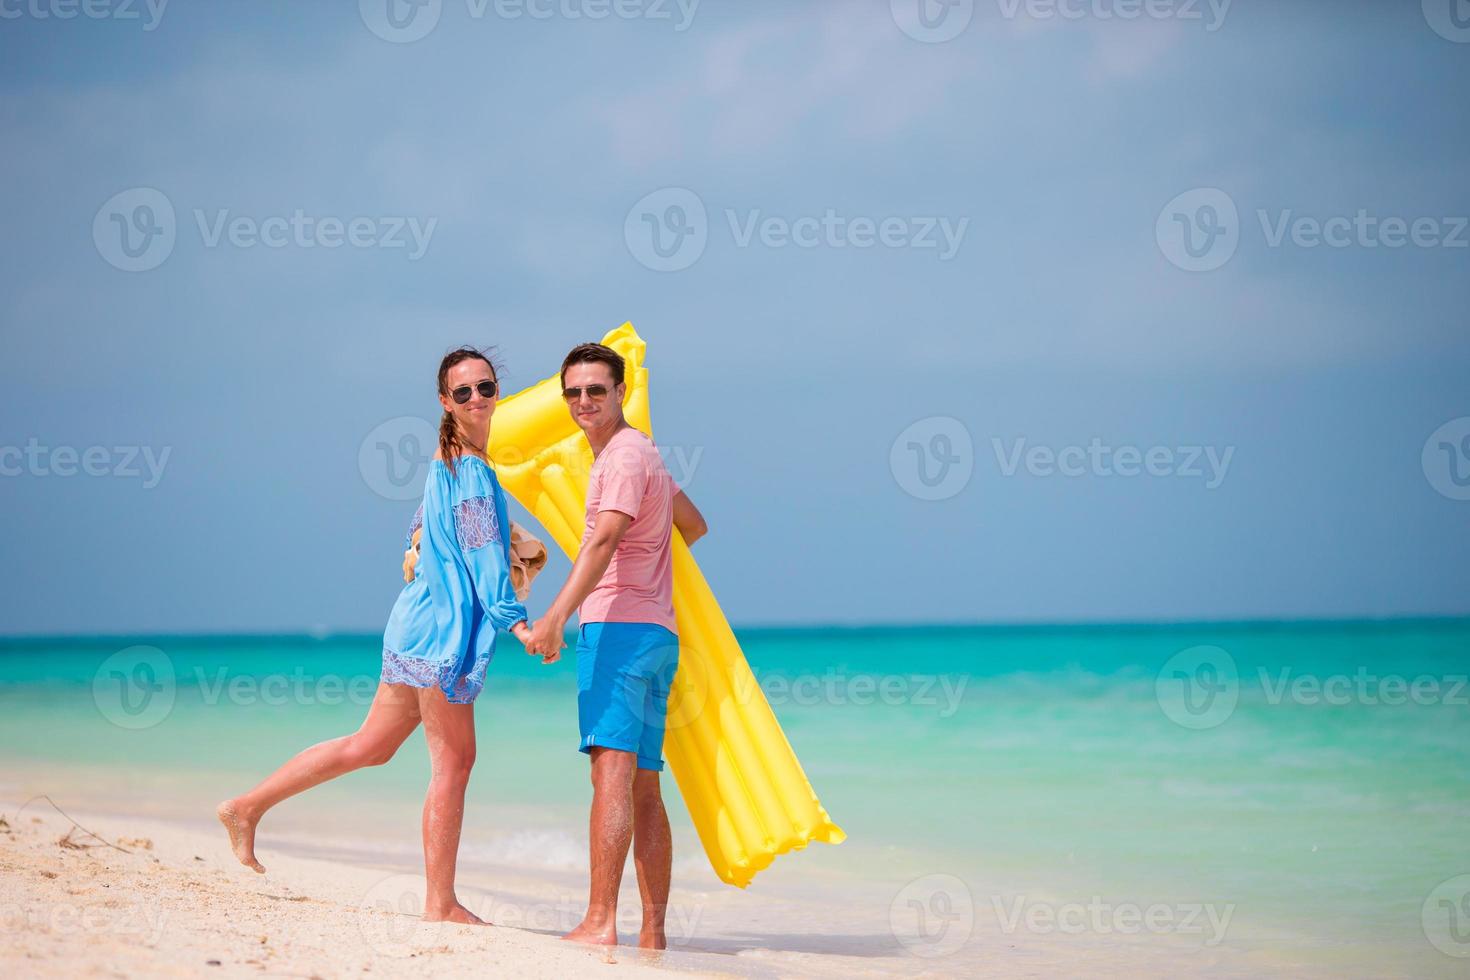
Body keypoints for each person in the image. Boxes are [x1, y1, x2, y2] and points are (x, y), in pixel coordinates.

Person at [216, 346, 532, 925]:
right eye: (463, 392)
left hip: (412, 623)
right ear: (445, 401)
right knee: (455, 761)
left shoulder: (445, 459)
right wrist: (521, 623)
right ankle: (440, 904)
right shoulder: (474, 471)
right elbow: (485, 559)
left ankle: (246, 806)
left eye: (485, 388)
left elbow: (417, 533)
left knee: (371, 746)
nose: (477, 399)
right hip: (437, 634)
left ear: (497, 392)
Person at [525, 342, 707, 949]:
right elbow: (694, 524)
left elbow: (603, 542)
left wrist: (554, 617)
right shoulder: (647, 455)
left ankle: (601, 920)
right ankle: (652, 935)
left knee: (611, 777)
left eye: (595, 390)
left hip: (618, 632)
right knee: (645, 786)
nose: (582, 402)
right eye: (573, 392)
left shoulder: (621, 460)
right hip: (659, 635)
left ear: (621, 393)